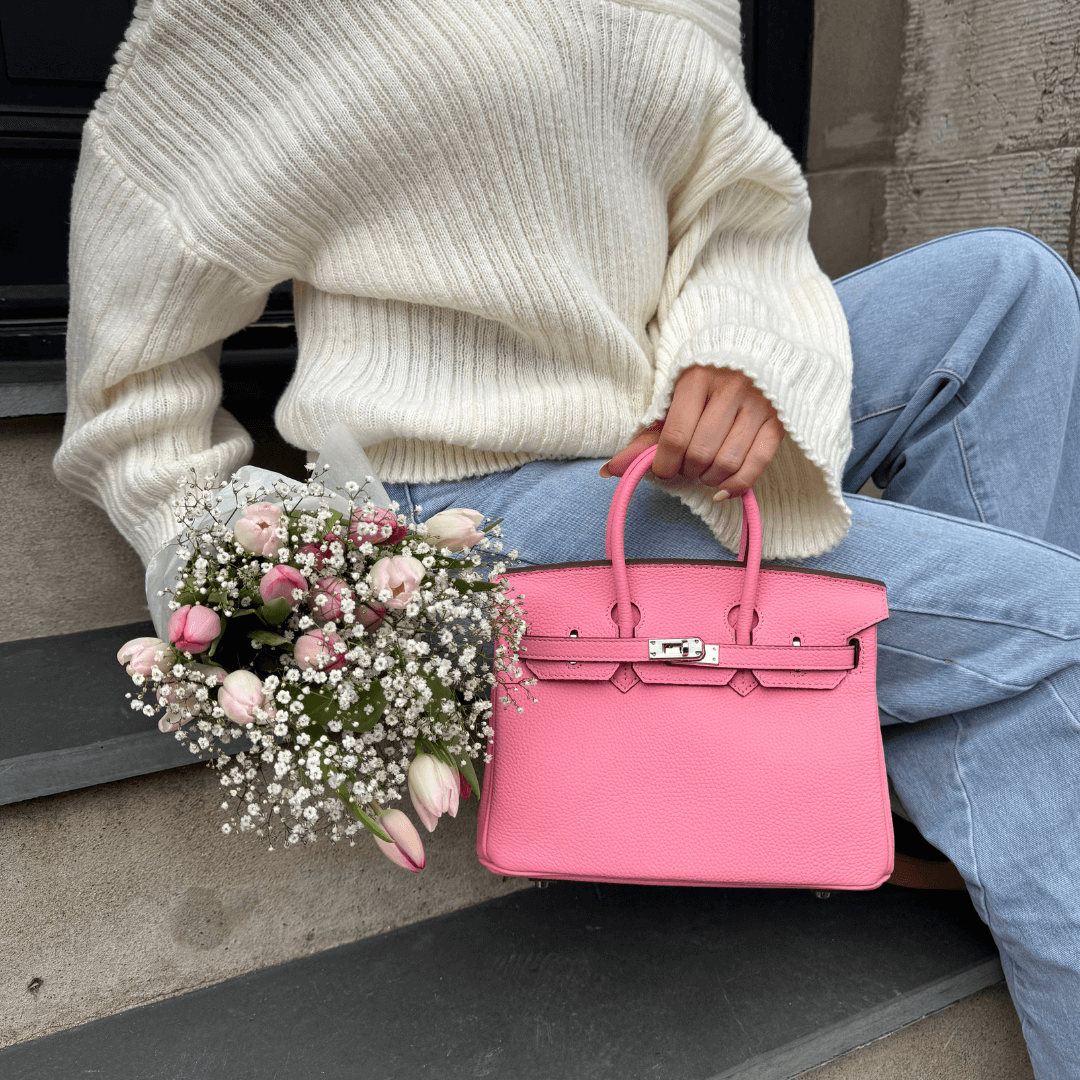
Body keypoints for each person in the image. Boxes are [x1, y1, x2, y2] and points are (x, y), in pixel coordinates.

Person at [53, 1, 1078, 1074]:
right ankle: (1017, 751)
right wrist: (251, 573)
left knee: (1012, 289)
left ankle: (989, 780)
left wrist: (738, 357)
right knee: (1055, 626)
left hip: (647, 422)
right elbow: (132, 345)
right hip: (461, 497)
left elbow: (727, 208)